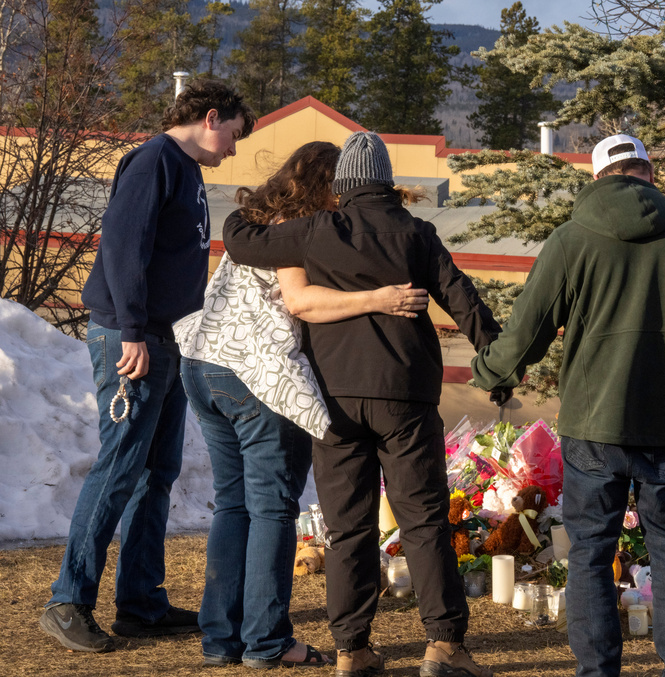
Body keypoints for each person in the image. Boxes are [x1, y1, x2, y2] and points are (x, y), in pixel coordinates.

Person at [471, 134, 665, 677]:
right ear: (648, 173)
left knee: (590, 556)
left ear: (598, 177)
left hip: (593, 428)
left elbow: (528, 330)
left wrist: (490, 371)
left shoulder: (571, 239)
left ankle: (597, 672)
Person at [222, 131, 500, 677]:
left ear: (344, 185)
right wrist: (496, 363)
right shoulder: (417, 234)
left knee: (348, 529)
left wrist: (250, 207)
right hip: (406, 396)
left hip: (336, 398)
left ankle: (353, 650)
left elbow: (240, 242)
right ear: (386, 182)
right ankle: (445, 645)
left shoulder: (315, 232)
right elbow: (464, 299)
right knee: (423, 523)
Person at [174, 141, 429, 668]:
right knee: (272, 506)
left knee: (234, 504)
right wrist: (379, 298)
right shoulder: (301, 223)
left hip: (203, 363)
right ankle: (267, 640)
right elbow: (300, 301)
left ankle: (221, 638)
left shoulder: (261, 218)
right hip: (256, 376)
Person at [40, 80, 257, 653]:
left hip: (167, 340)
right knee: (119, 468)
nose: (233, 148)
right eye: (234, 134)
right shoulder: (154, 161)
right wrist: (132, 330)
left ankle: (139, 602)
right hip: (131, 339)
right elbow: (121, 246)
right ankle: (68, 601)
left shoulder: (186, 170)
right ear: (212, 117)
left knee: (157, 473)